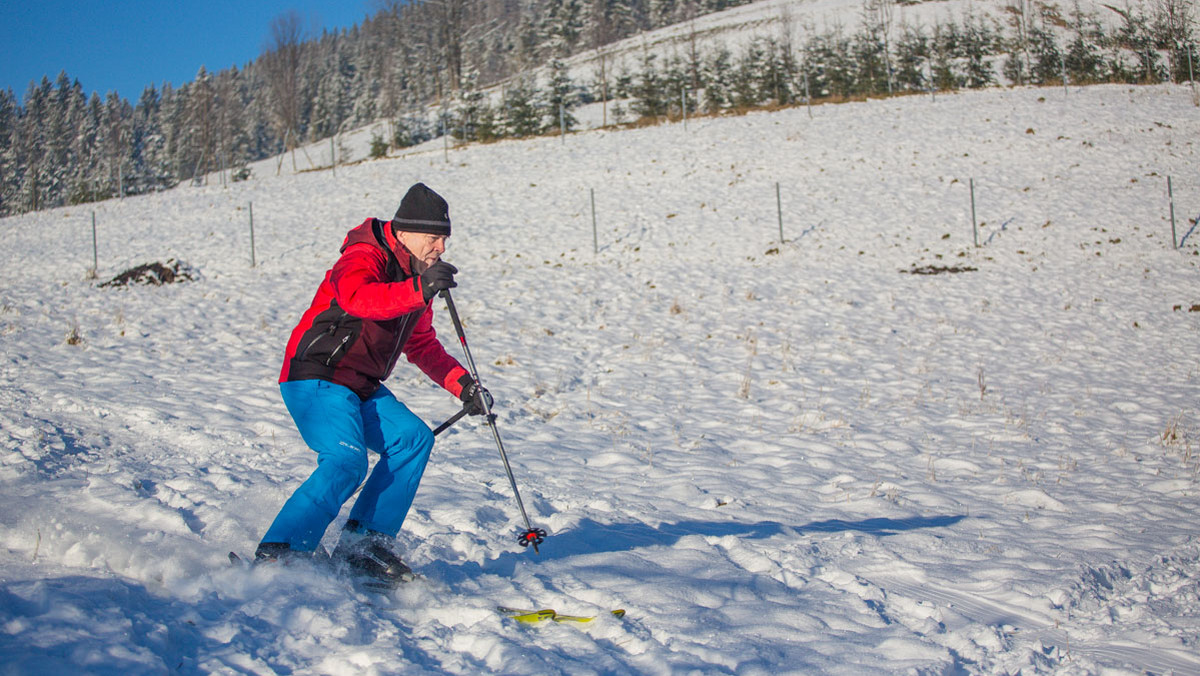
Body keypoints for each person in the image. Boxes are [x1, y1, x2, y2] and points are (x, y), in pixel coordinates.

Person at [256, 182, 491, 588]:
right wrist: (420, 289)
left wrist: (464, 386)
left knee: (413, 438)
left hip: (360, 385)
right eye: (434, 237)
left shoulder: (417, 276)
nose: (441, 248)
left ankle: (364, 546)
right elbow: (356, 297)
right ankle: (279, 553)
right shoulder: (364, 255)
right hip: (316, 376)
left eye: (445, 239)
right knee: (346, 461)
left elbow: (421, 344)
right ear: (405, 232)